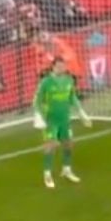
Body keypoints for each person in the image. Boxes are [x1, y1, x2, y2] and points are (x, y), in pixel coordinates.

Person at [33, 57, 90, 189]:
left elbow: (73, 97)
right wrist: (39, 116)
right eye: (59, 66)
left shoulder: (69, 80)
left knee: (68, 144)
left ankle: (67, 169)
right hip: (50, 120)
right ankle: (47, 174)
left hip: (65, 119)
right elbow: (37, 100)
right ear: (53, 67)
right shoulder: (46, 82)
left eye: (63, 66)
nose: (61, 68)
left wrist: (82, 113)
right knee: (50, 146)